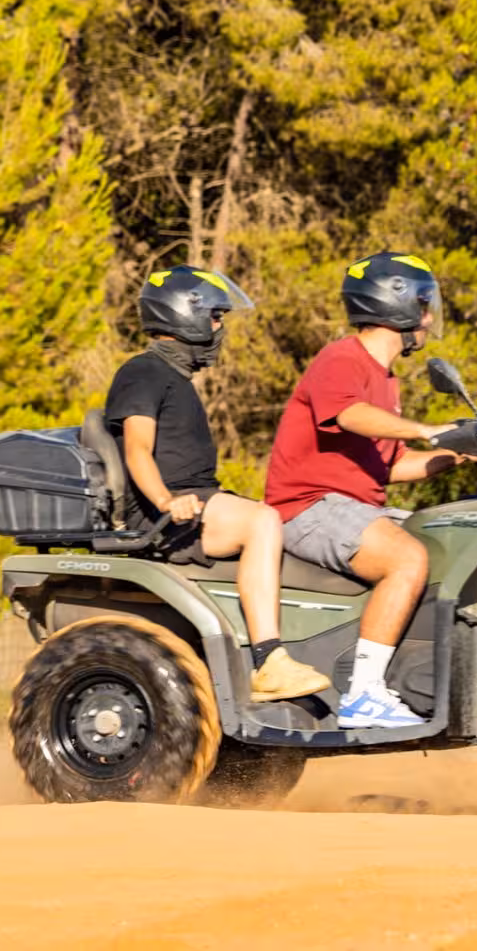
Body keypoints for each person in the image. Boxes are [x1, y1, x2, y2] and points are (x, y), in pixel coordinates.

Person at [263, 252, 471, 728]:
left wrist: (457, 453)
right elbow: (346, 414)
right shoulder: (342, 358)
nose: (428, 318)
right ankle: (364, 694)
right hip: (306, 507)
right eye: (424, 305)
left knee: (444, 544)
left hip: (349, 507)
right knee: (406, 558)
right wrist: (426, 430)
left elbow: (390, 466)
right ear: (395, 304)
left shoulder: (386, 380)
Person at [106, 266, 333, 703]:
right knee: (262, 520)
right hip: (166, 514)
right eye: (214, 317)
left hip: (196, 501)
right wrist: (166, 501)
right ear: (183, 314)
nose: (219, 328)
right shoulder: (144, 372)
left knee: (275, 524)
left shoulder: (175, 378)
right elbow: (137, 449)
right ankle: (268, 661)